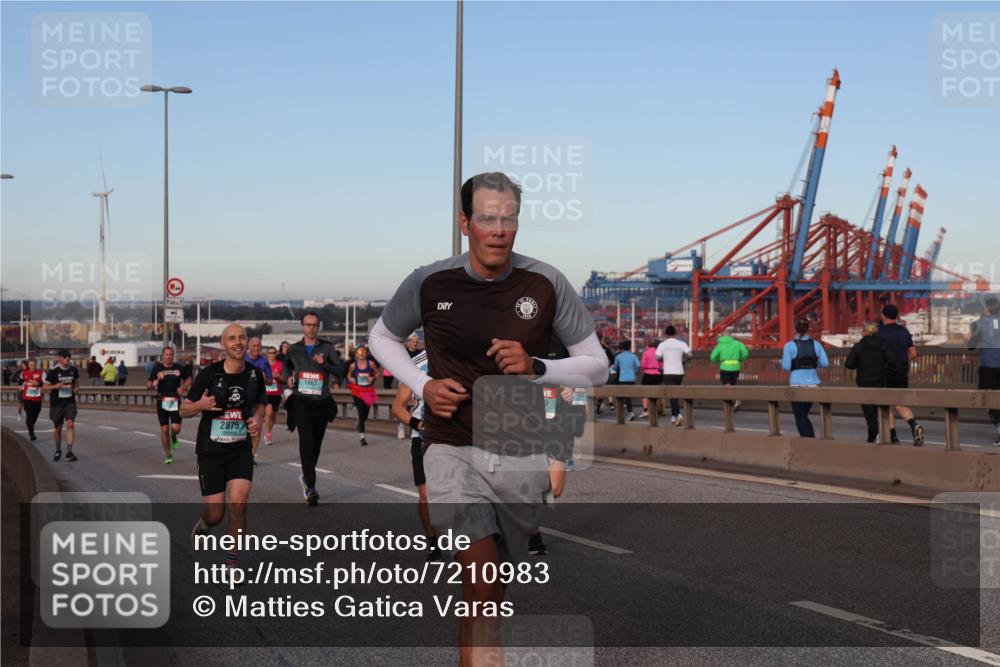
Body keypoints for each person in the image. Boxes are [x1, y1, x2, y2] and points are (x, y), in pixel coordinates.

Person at [369, 172, 608, 665]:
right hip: (449, 445)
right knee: (481, 579)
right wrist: (423, 385)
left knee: (491, 591)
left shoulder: (545, 282)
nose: (499, 229)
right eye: (487, 218)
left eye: (509, 218)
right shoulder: (430, 281)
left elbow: (597, 365)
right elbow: (382, 337)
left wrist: (537, 366)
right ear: (465, 223)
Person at [182, 323, 266, 574]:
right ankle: (205, 524)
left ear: (247, 341)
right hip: (211, 451)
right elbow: (183, 409)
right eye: (232, 339)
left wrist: (258, 417)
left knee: (238, 503)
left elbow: (261, 404)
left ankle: (231, 565)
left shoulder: (254, 374)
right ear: (223, 344)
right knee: (215, 515)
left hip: (240, 449)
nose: (238, 342)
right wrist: (200, 405)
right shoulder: (209, 374)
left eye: (242, 337)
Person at [282, 312, 341, 505]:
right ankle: (311, 487)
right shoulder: (294, 349)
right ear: (302, 326)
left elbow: (340, 370)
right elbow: (285, 367)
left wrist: (326, 364)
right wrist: (288, 378)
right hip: (301, 399)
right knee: (306, 441)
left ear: (318, 326)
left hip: (322, 400)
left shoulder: (327, 348)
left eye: (314, 325)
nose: (311, 328)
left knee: (315, 444)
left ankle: (306, 475)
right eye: (308, 324)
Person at [390, 346, 442, 561]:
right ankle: (433, 542)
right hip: (423, 438)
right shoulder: (416, 364)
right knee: (426, 495)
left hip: (457, 438)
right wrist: (418, 424)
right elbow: (398, 407)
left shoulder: (462, 355)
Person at [877, 304, 924, 446]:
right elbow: (913, 354)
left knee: (886, 405)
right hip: (902, 372)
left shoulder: (880, 333)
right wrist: (902, 360)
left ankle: (893, 437)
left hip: (885, 372)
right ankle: (914, 424)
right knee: (900, 403)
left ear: (883, 315)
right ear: (897, 316)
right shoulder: (904, 331)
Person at [780, 316, 830, 438]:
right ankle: (810, 440)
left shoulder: (789, 346)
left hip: (797, 385)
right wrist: (812, 363)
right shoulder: (816, 344)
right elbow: (825, 363)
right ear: (808, 328)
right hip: (813, 384)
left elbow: (786, 367)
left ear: (795, 329)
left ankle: (809, 442)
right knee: (804, 415)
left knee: (800, 416)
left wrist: (783, 361)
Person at [845, 321, 893, 443]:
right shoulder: (883, 345)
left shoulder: (859, 346)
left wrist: (859, 364)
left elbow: (849, 364)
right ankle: (874, 438)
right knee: (880, 411)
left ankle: (876, 435)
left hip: (864, 382)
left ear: (866, 331)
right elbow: (891, 362)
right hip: (880, 381)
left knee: (869, 413)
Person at [148, 346, 192, 464]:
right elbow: (149, 383)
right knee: (164, 429)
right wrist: (153, 383)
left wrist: (183, 388)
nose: (168, 356)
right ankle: (168, 454)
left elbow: (189, 379)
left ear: (173, 356)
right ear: (163, 356)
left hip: (175, 400)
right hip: (161, 401)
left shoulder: (178, 367)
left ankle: (174, 436)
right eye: (166, 354)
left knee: (176, 428)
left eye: (170, 354)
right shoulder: (157, 368)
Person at [969, 296, 1000, 445]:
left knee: (987, 400)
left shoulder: (979, 324)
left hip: (988, 368)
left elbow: (971, 346)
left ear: (987, 309)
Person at [43, 349, 80, 461]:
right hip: (57, 404)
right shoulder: (53, 371)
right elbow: (44, 387)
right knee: (58, 428)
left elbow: (75, 381)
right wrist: (55, 386)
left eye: (68, 356)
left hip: (69, 402)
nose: (67, 358)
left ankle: (69, 452)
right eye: (64, 356)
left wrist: (76, 388)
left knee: (70, 424)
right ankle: (58, 449)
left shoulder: (73, 369)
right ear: (60, 358)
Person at [244, 337, 274, 461]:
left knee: (256, 427)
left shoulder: (264, 362)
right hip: (243, 397)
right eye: (254, 346)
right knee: (243, 428)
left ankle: (251, 456)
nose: (256, 348)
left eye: (258, 346)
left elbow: (270, 381)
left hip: (258, 399)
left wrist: (263, 378)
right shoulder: (243, 359)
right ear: (249, 347)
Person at [656, 325, 692, 426]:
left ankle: (678, 414)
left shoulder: (662, 344)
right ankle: (673, 416)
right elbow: (690, 354)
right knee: (674, 393)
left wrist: (664, 359)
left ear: (666, 334)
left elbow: (657, 357)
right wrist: (683, 359)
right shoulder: (681, 343)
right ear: (675, 333)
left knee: (672, 394)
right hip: (679, 372)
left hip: (668, 372)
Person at [346, 346, 379, 446]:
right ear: (356, 354)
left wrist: (372, 378)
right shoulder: (353, 365)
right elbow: (348, 375)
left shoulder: (371, 364)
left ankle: (360, 422)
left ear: (366, 353)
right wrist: (351, 379)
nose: (361, 354)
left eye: (363, 352)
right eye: (359, 352)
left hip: (368, 391)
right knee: (360, 413)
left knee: (365, 415)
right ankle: (362, 437)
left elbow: (377, 373)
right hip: (357, 391)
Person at [710, 330, 749, 411]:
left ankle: (736, 398)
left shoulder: (720, 345)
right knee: (732, 385)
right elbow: (745, 353)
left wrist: (717, 360)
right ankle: (729, 406)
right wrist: (742, 359)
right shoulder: (738, 343)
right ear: (730, 336)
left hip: (725, 367)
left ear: (722, 336)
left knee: (727, 386)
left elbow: (713, 357)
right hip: (736, 367)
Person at [611, 340, 640, 421]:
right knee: (628, 396)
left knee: (624, 396)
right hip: (632, 378)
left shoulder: (619, 356)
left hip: (622, 378)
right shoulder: (633, 356)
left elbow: (615, 368)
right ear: (629, 347)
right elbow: (638, 365)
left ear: (622, 347)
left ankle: (630, 412)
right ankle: (629, 411)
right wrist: (636, 372)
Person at [263, 346, 284, 446]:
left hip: (276, 393)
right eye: (270, 353)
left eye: (273, 353)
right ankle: (268, 434)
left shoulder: (280, 365)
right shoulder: (263, 364)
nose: (272, 354)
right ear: (267, 354)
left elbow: (284, 379)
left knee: (273, 416)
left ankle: (268, 432)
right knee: (269, 412)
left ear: (276, 354)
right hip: (266, 393)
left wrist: (278, 376)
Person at [20, 358, 44, 440]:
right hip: (27, 398)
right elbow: (20, 381)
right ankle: (31, 433)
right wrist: (20, 385)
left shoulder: (41, 373)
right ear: (28, 365)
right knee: (29, 414)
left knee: (35, 415)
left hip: (37, 399)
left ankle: (30, 426)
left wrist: (38, 383)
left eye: (34, 365)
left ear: (36, 365)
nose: (32, 367)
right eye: (30, 365)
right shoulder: (24, 373)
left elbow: (47, 383)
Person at [639, 338, 662, 418]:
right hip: (657, 373)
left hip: (648, 374)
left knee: (645, 393)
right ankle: (655, 411)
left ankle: (645, 410)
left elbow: (643, 365)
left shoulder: (646, 352)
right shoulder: (658, 353)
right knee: (655, 393)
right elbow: (661, 365)